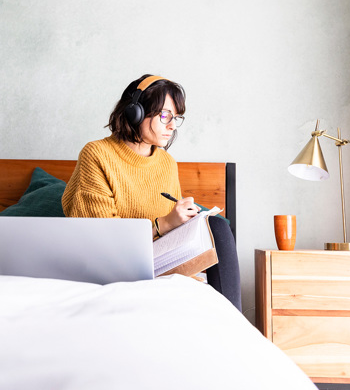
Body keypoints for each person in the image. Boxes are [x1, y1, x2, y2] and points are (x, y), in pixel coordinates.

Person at [62, 74, 241, 311]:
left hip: (157, 260)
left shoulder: (166, 163)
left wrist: (186, 221)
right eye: (165, 115)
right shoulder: (96, 154)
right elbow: (102, 238)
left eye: (176, 118)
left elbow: (172, 234)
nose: (173, 125)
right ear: (134, 112)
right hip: (111, 264)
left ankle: (232, 322)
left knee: (216, 226)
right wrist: (164, 224)